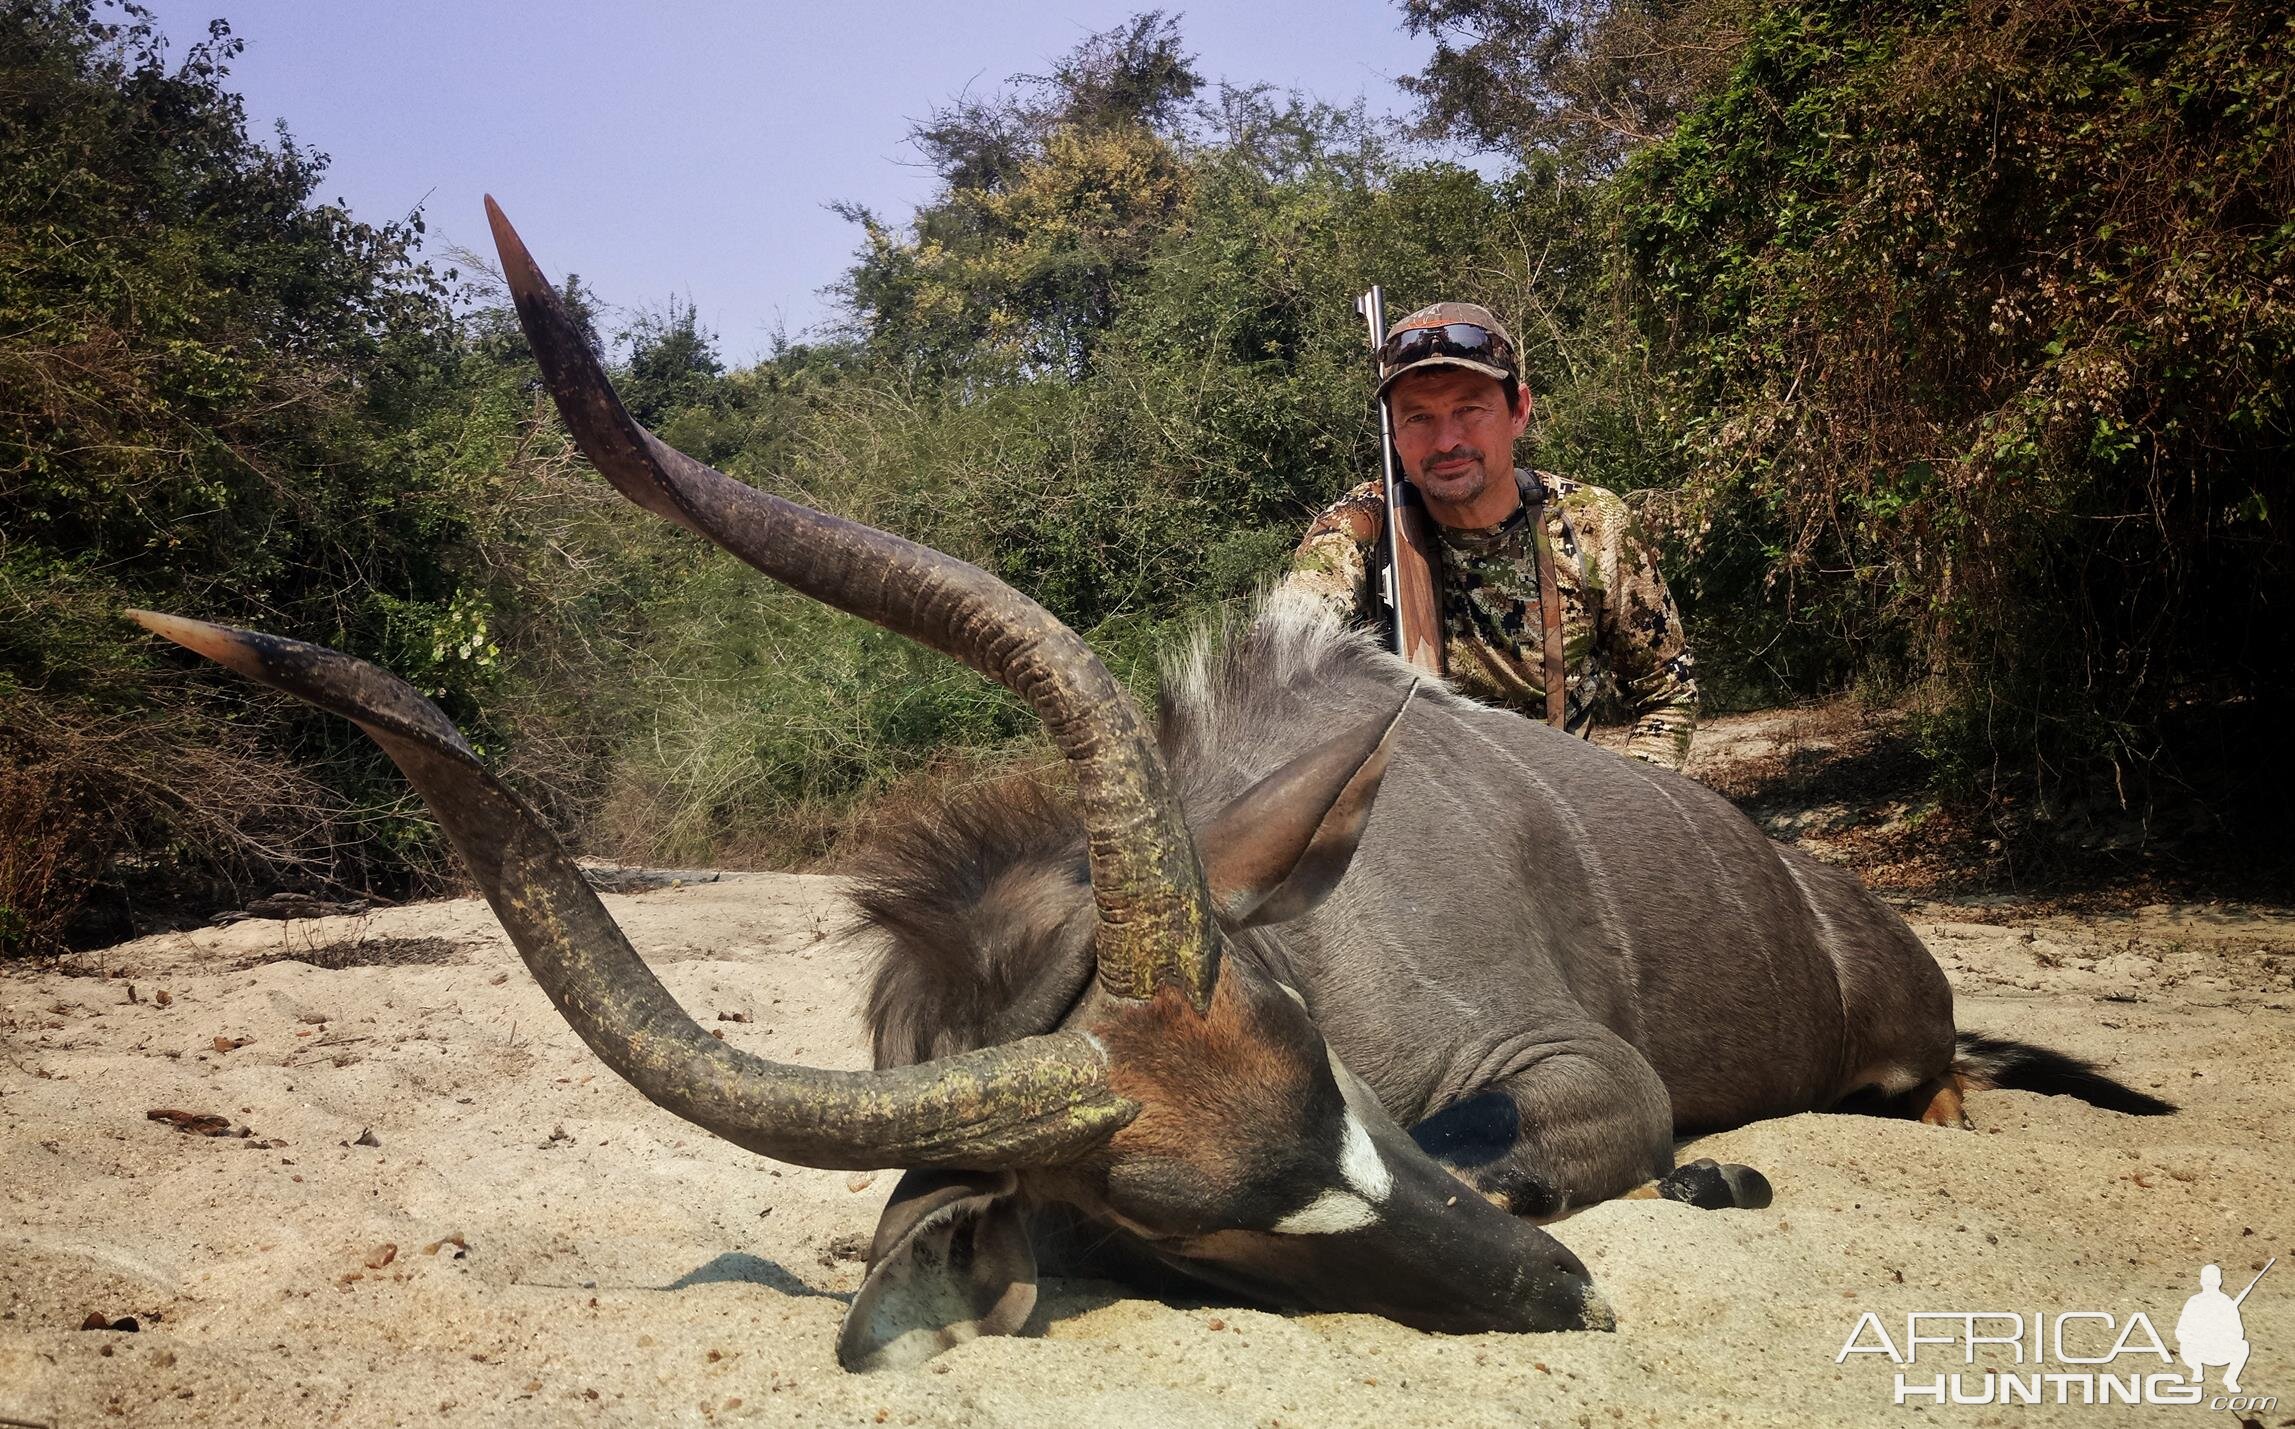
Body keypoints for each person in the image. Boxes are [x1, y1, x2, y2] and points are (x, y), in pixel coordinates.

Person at [1280, 302, 1699, 769]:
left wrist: (1617, 819)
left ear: (1518, 409)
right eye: (1417, 417)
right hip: (1417, 812)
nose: (1445, 442)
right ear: (1392, 432)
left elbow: (1669, 691)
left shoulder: (1591, 525)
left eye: (1469, 409)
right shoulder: (1360, 526)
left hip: (1558, 812)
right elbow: (1284, 655)